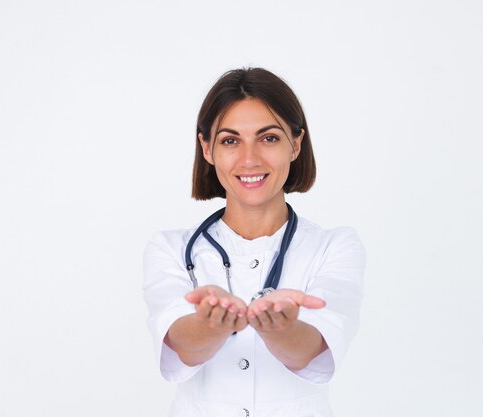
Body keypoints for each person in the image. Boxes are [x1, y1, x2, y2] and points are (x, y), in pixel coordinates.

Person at [142, 67, 366, 417]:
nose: (250, 159)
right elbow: (181, 347)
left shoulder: (334, 246)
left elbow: (314, 351)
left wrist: (282, 329)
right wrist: (212, 323)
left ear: (295, 144)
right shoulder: (169, 249)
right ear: (207, 148)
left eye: (269, 138)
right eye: (230, 140)